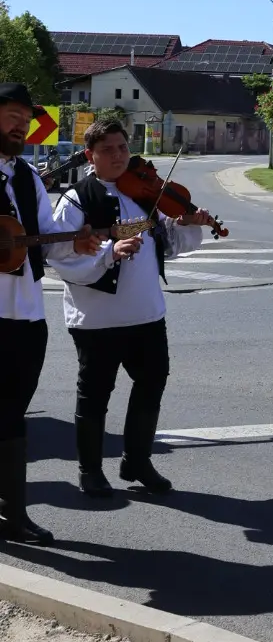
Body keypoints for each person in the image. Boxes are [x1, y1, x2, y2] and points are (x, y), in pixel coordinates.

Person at [48, 120, 211, 497]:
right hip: (97, 320)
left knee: (151, 384)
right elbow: (58, 254)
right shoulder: (76, 199)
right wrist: (109, 252)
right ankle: (90, 471)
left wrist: (188, 222)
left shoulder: (142, 193)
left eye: (122, 147)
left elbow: (168, 244)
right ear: (90, 156)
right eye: (108, 149)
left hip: (147, 314)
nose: (118, 155)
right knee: (95, 396)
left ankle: (137, 461)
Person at [0, 82, 101, 542]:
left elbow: (48, 240)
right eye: (12, 116)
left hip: (26, 317)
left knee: (12, 416)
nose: (20, 126)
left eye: (25, 119)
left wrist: (78, 244)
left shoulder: (27, 176)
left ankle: (12, 512)